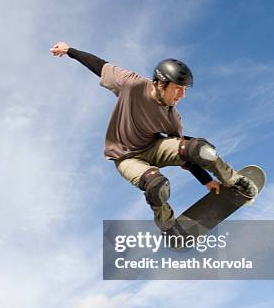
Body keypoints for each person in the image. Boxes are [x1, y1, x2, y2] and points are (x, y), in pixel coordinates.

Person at [50, 42, 258, 240]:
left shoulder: (172, 117)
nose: (181, 95)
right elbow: (99, 65)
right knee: (157, 186)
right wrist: (69, 50)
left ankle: (234, 181)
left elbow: (187, 156)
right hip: (125, 158)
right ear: (161, 83)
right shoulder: (132, 84)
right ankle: (168, 227)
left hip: (152, 147)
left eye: (185, 90)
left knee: (200, 149)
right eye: (178, 89)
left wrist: (206, 181)